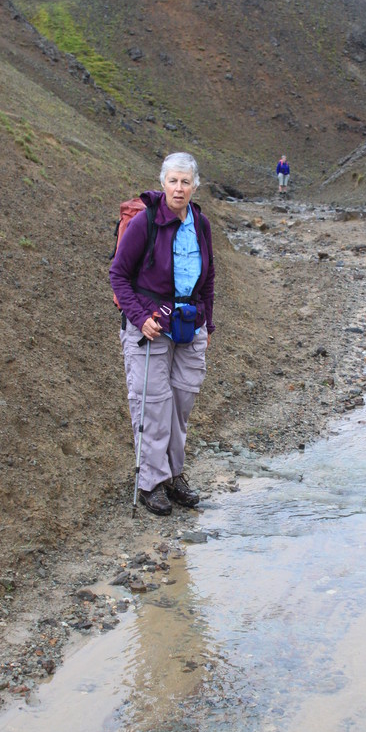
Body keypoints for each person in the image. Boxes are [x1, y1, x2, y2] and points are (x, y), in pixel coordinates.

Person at [110, 152, 215, 516]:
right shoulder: (146, 222)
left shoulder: (200, 224)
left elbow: (209, 279)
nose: (179, 188)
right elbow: (119, 276)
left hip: (189, 324)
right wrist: (139, 318)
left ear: (195, 186)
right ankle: (150, 482)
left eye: (186, 182)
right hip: (150, 328)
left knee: (181, 402)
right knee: (152, 403)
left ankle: (173, 475)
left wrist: (209, 323)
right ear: (163, 183)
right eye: (173, 180)